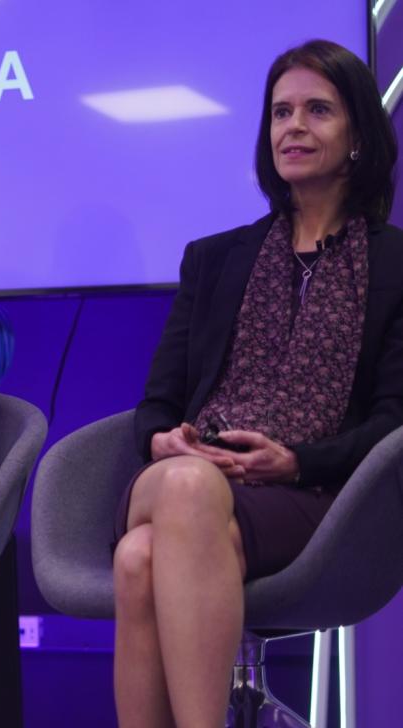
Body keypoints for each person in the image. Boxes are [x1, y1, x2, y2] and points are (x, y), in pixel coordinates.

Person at [112, 39, 403, 727]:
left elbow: (394, 417)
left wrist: (297, 458)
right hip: (184, 474)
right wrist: (166, 442)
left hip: (315, 493)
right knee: (185, 487)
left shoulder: (396, 265)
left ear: (359, 134)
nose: (293, 127)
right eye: (280, 112)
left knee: (137, 558)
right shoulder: (214, 260)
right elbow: (157, 403)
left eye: (317, 110)